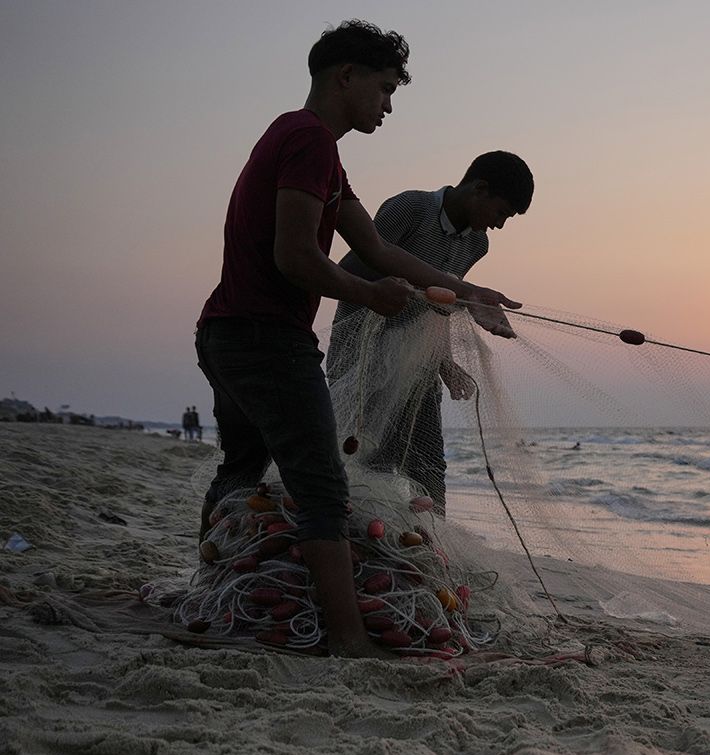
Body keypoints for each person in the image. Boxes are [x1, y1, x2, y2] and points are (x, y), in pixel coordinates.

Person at [193, 20, 520, 658]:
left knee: (239, 467)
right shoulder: (309, 140)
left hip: (229, 331)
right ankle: (348, 638)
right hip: (266, 337)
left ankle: (209, 584)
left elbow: (376, 246)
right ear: (346, 76)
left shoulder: (313, 148)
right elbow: (295, 257)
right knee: (323, 487)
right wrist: (369, 294)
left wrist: (471, 294)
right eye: (385, 88)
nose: (389, 105)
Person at [327, 151, 535, 511]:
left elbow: (438, 307)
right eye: (501, 212)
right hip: (361, 350)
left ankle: (431, 546)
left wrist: (445, 363)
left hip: (416, 361)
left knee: (426, 458)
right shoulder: (409, 208)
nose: (499, 225)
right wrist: (401, 286)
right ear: (480, 188)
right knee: (358, 449)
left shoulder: (476, 244)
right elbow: (353, 270)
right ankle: (351, 533)